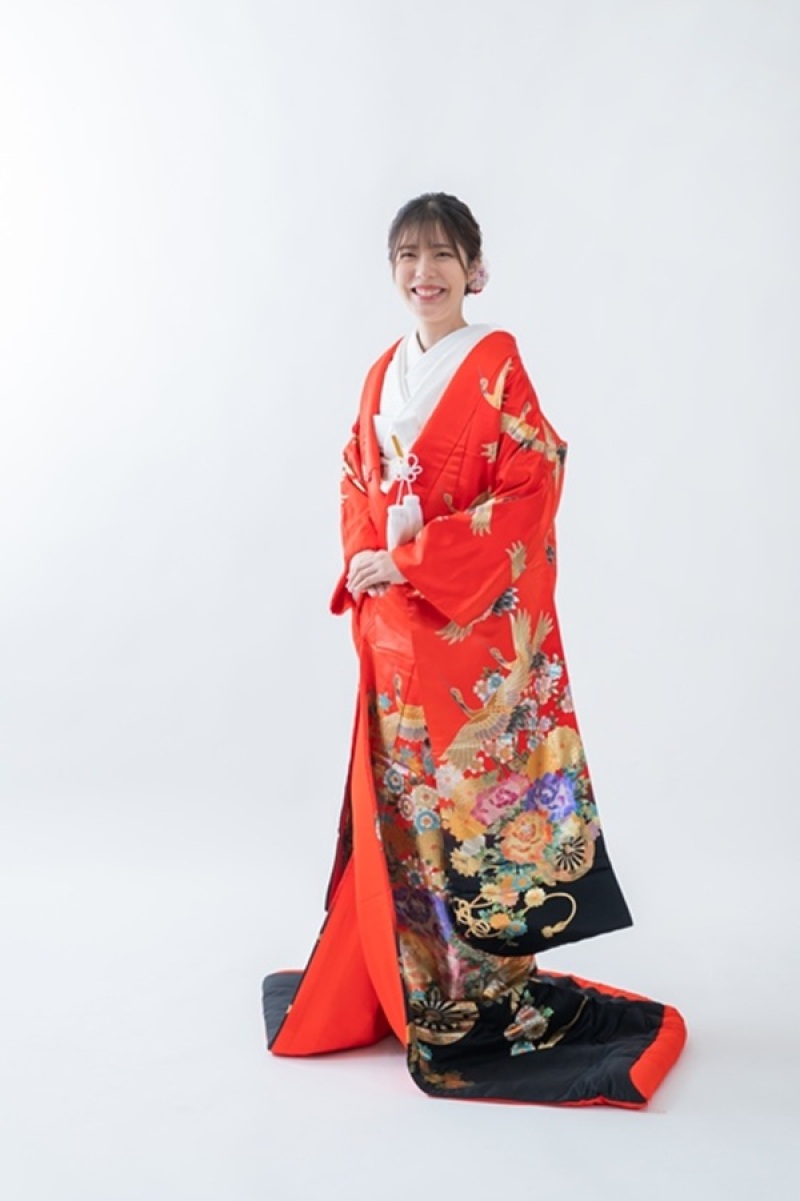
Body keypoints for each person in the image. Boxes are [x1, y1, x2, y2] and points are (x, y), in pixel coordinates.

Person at [262, 193, 686, 1105]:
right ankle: (420, 983)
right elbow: (355, 474)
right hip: (394, 635)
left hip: (467, 640)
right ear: (393, 270)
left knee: (474, 815)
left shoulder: (497, 364)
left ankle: (486, 995)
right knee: (405, 814)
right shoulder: (382, 372)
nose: (425, 273)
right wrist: (369, 562)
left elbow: (533, 484)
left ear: (474, 270)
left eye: (443, 256)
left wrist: (416, 560)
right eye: (409, 256)